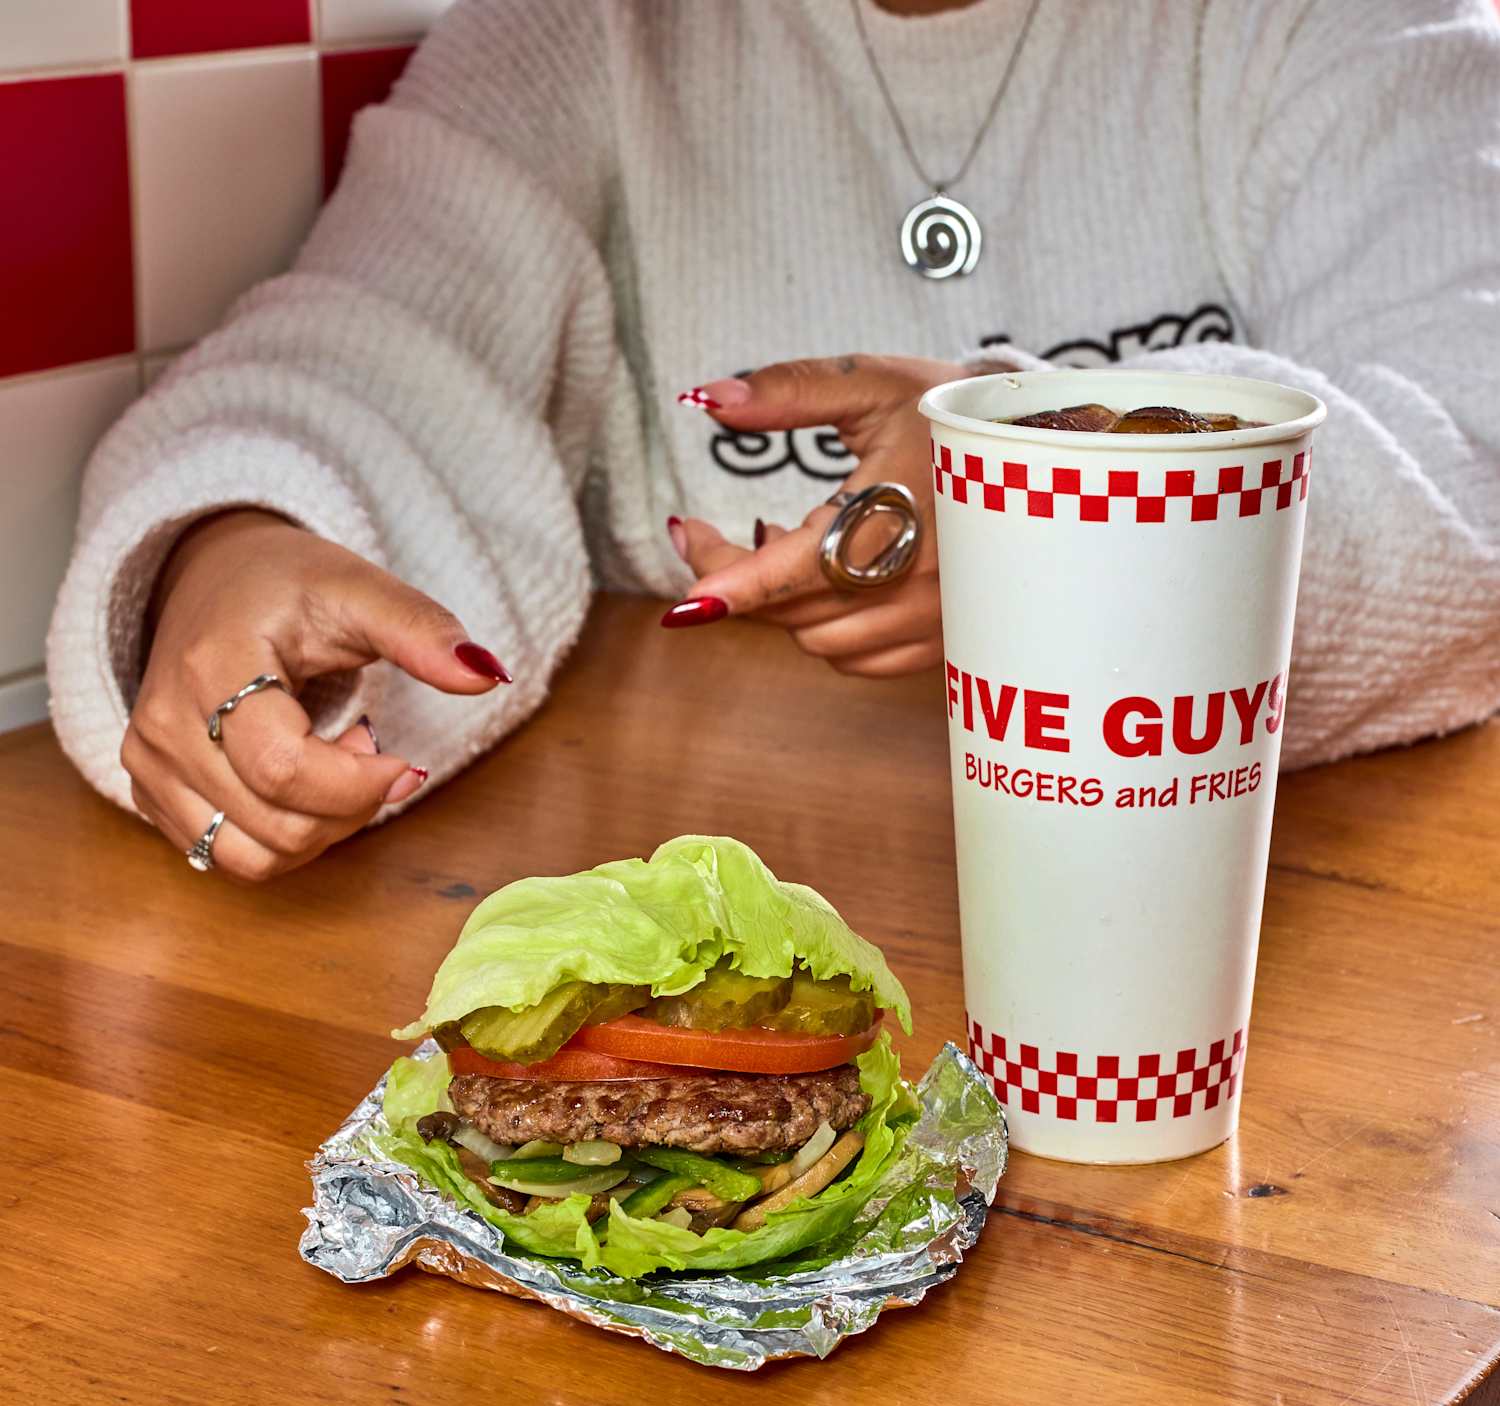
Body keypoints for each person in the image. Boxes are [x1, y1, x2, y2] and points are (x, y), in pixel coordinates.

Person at [47, 0, 1500, 881]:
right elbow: (369, 338)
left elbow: (1464, 425)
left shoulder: (1346, 28)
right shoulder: (578, 32)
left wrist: (1069, 491)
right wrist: (227, 541)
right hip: (700, 948)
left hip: (1242, 953)